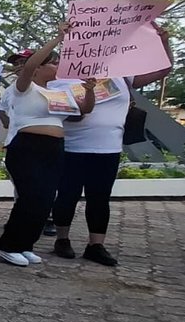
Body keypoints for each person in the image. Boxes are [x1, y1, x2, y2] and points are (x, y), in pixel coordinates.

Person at [52, 25, 174, 266]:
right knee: (67, 195)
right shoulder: (61, 78)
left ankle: (96, 244)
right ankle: (62, 239)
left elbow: (164, 69)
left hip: (108, 148)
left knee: (100, 198)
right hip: (72, 147)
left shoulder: (121, 75)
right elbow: (67, 113)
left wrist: (163, 42)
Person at [0, 23, 96, 266]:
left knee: (46, 199)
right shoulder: (24, 88)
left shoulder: (60, 93)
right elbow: (28, 65)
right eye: (53, 63)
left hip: (53, 149)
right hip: (27, 147)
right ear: (40, 68)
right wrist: (58, 38)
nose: (58, 67)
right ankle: (7, 245)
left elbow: (85, 110)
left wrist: (90, 90)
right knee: (30, 197)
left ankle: (25, 244)